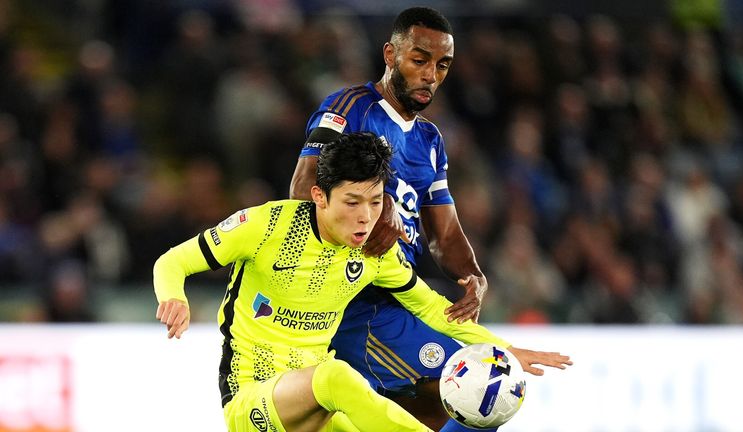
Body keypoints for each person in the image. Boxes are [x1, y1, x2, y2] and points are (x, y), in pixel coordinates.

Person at [155, 132, 571, 432]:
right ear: (319, 196)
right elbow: (172, 261)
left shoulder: (374, 253)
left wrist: (503, 348)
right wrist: (174, 297)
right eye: (352, 202)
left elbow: (430, 307)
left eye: (375, 202)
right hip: (253, 401)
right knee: (336, 376)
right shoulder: (265, 226)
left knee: (479, 392)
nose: (365, 217)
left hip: (322, 411)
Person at [290, 7, 567, 431]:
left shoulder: (430, 141)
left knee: (479, 397)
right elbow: (301, 188)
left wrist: (473, 276)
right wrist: (369, 212)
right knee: (476, 390)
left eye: (442, 65)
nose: (430, 75)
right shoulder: (350, 108)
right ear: (390, 55)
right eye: (419, 60)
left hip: (399, 297)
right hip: (354, 302)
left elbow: (444, 232)